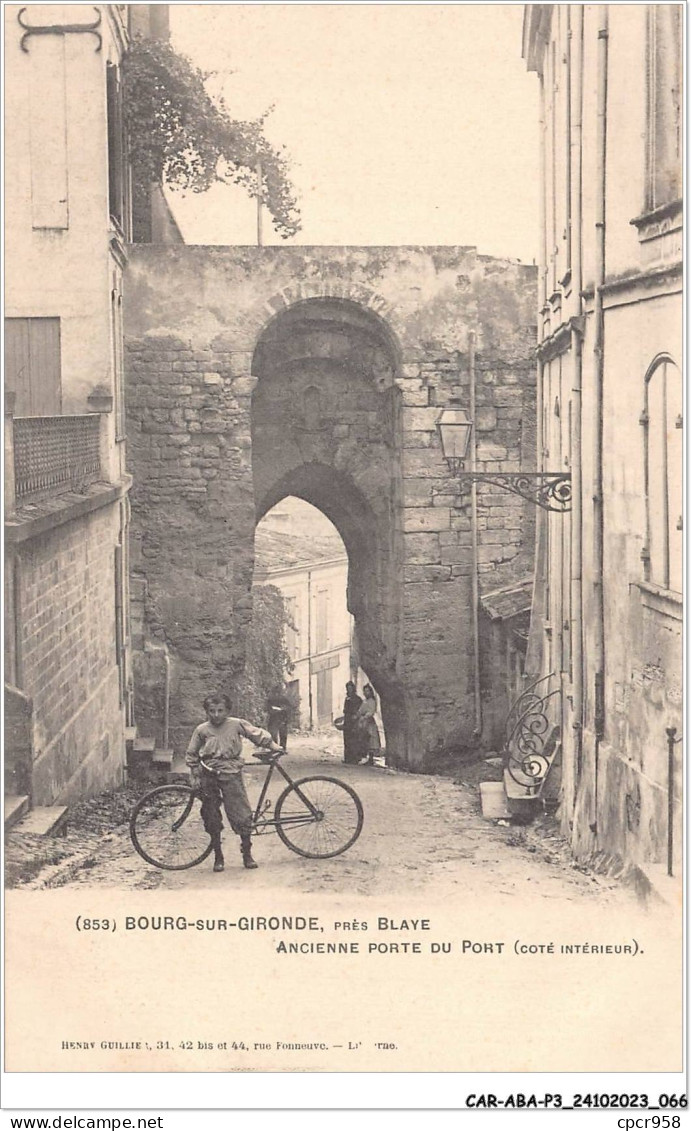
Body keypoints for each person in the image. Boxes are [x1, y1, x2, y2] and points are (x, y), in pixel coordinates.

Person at [185, 692, 283, 873]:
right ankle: (218, 856)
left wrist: (273, 746)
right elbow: (192, 753)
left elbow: (256, 734)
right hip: (209, 772)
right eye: (212, 711)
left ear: (227, 711)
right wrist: (195, 773)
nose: (216, 715)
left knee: (241, 813)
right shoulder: (202, 730)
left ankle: (247, 853)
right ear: (207, 712)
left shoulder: (236, 724)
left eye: (220, 710)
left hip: (231, 772)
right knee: (211, 814)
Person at [355, 683, 381, 767]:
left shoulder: (372, 701)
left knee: (371, 739)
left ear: (370, 692)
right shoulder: (365, 701)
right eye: (364, 691)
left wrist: (365, 717)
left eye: (367, 691)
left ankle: (371, 759)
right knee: (364, 739)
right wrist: (358, 714)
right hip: (363, 722)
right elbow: (361, 710)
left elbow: (371, 711)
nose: (366, 693)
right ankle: (366, 757)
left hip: (369, 722)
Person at [341, 681, 363, 765]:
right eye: (348, 688)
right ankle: (347, 758)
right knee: (347, 739)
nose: (349, 690)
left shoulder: (357, 699)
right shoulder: (347, 698)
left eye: (350, 688)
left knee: (354, 740)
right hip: (347, 721)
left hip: (354, 721)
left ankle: (355, 758)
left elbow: (358, 710)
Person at [266, 684, 291, 751]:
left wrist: (282, 710)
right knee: (275, 734)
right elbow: (268, 708)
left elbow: (288, 708)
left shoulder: (284, 699)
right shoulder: (271, 699)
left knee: (282, 734)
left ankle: (281, 748)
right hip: (275, 718)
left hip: (281, 718)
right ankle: (276, 748)